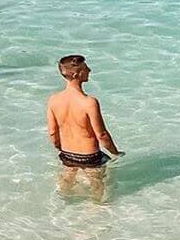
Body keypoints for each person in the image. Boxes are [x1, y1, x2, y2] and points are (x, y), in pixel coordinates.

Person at [47, 55, 123, 185]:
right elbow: (102, 135)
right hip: (90, 156)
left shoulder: (53, 100)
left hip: (67, 154)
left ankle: (65, 204)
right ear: (76, 74)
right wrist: (115, 153)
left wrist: (60, 147)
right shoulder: (89, 102)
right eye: (85, 68)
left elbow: (52, 132)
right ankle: (97, 205)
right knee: (97, 187)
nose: (89, 70)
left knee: (66, 184)